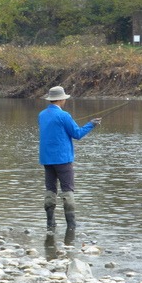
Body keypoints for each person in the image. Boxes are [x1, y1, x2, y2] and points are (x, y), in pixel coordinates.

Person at [38, 86, 101, 231]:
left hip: (47, 159)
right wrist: (91, 124)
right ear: (61, 99)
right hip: (63, 159)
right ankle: (71, 226)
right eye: (64, 99)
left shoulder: (41, 115)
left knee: (50, 188)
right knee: (67, 190)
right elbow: (77, 134)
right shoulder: (64, 115)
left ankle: (50, 223)